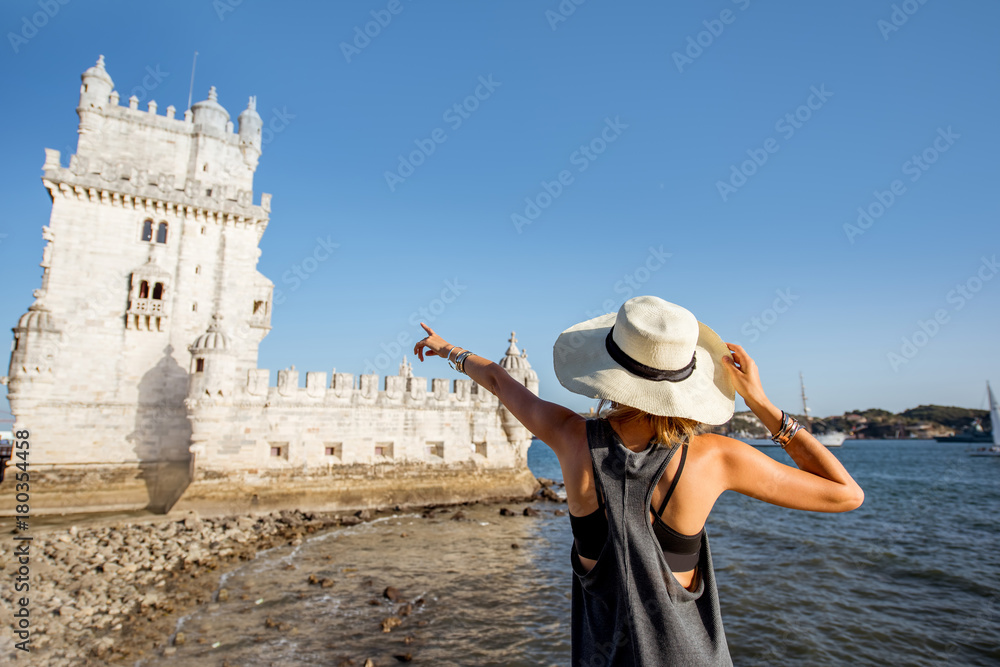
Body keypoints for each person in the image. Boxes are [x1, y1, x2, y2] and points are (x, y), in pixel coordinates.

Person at [413, 295, 864, 666]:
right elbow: (846, 494)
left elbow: (496, 377)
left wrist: (447, 349)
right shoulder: (716, 458)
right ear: (687, 379)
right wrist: (762, 403)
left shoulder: (571, 438)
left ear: (612, 368)